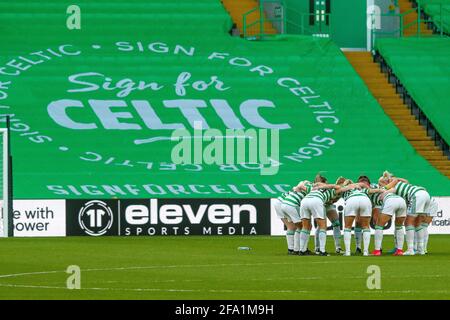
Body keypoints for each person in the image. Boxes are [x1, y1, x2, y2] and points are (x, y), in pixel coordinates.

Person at [382, 173, 432, 255]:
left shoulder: (394, 186)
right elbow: (405, 180)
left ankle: (410, 249)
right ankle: (421, 249)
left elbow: (385, 190)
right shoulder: (404, 184)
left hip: (417, 196)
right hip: (425, 195)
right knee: (418, 223)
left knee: (408, 222)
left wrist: (383, 190)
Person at [299, 174, 342, 256]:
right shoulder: (330, 190)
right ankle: (322, 251)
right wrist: (328, 186)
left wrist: (316, 185)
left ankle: (302, 250)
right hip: (317, 201)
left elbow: (301, 186)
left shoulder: (312, 188)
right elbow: (339, 188)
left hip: (305, 201)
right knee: (322, 226)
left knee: (305, 227)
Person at [341, 176, 384, 256]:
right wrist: (382, 190)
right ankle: (365, 252)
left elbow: (337, 191)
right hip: (365, 199)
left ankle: (348, 252)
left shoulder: (345, 189)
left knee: (347, 227)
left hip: (351, 200)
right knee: (366, 227)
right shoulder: (362, 188)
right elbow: (372, 191)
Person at [371, 178, 407, 256]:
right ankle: (399, 250)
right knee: (399, 226)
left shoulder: (377, 188)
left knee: (379, 226)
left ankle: (377, 251)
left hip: (390, 201)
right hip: (401, 201)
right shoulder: (390, 188)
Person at [280, 180, 314, 254]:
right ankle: (301, 249)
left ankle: (292, 249)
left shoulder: (301, 186)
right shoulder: (312, 188)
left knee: (293, 227)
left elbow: (301, 183)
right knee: (304, 226)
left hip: (284, 204)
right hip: (292, 205)